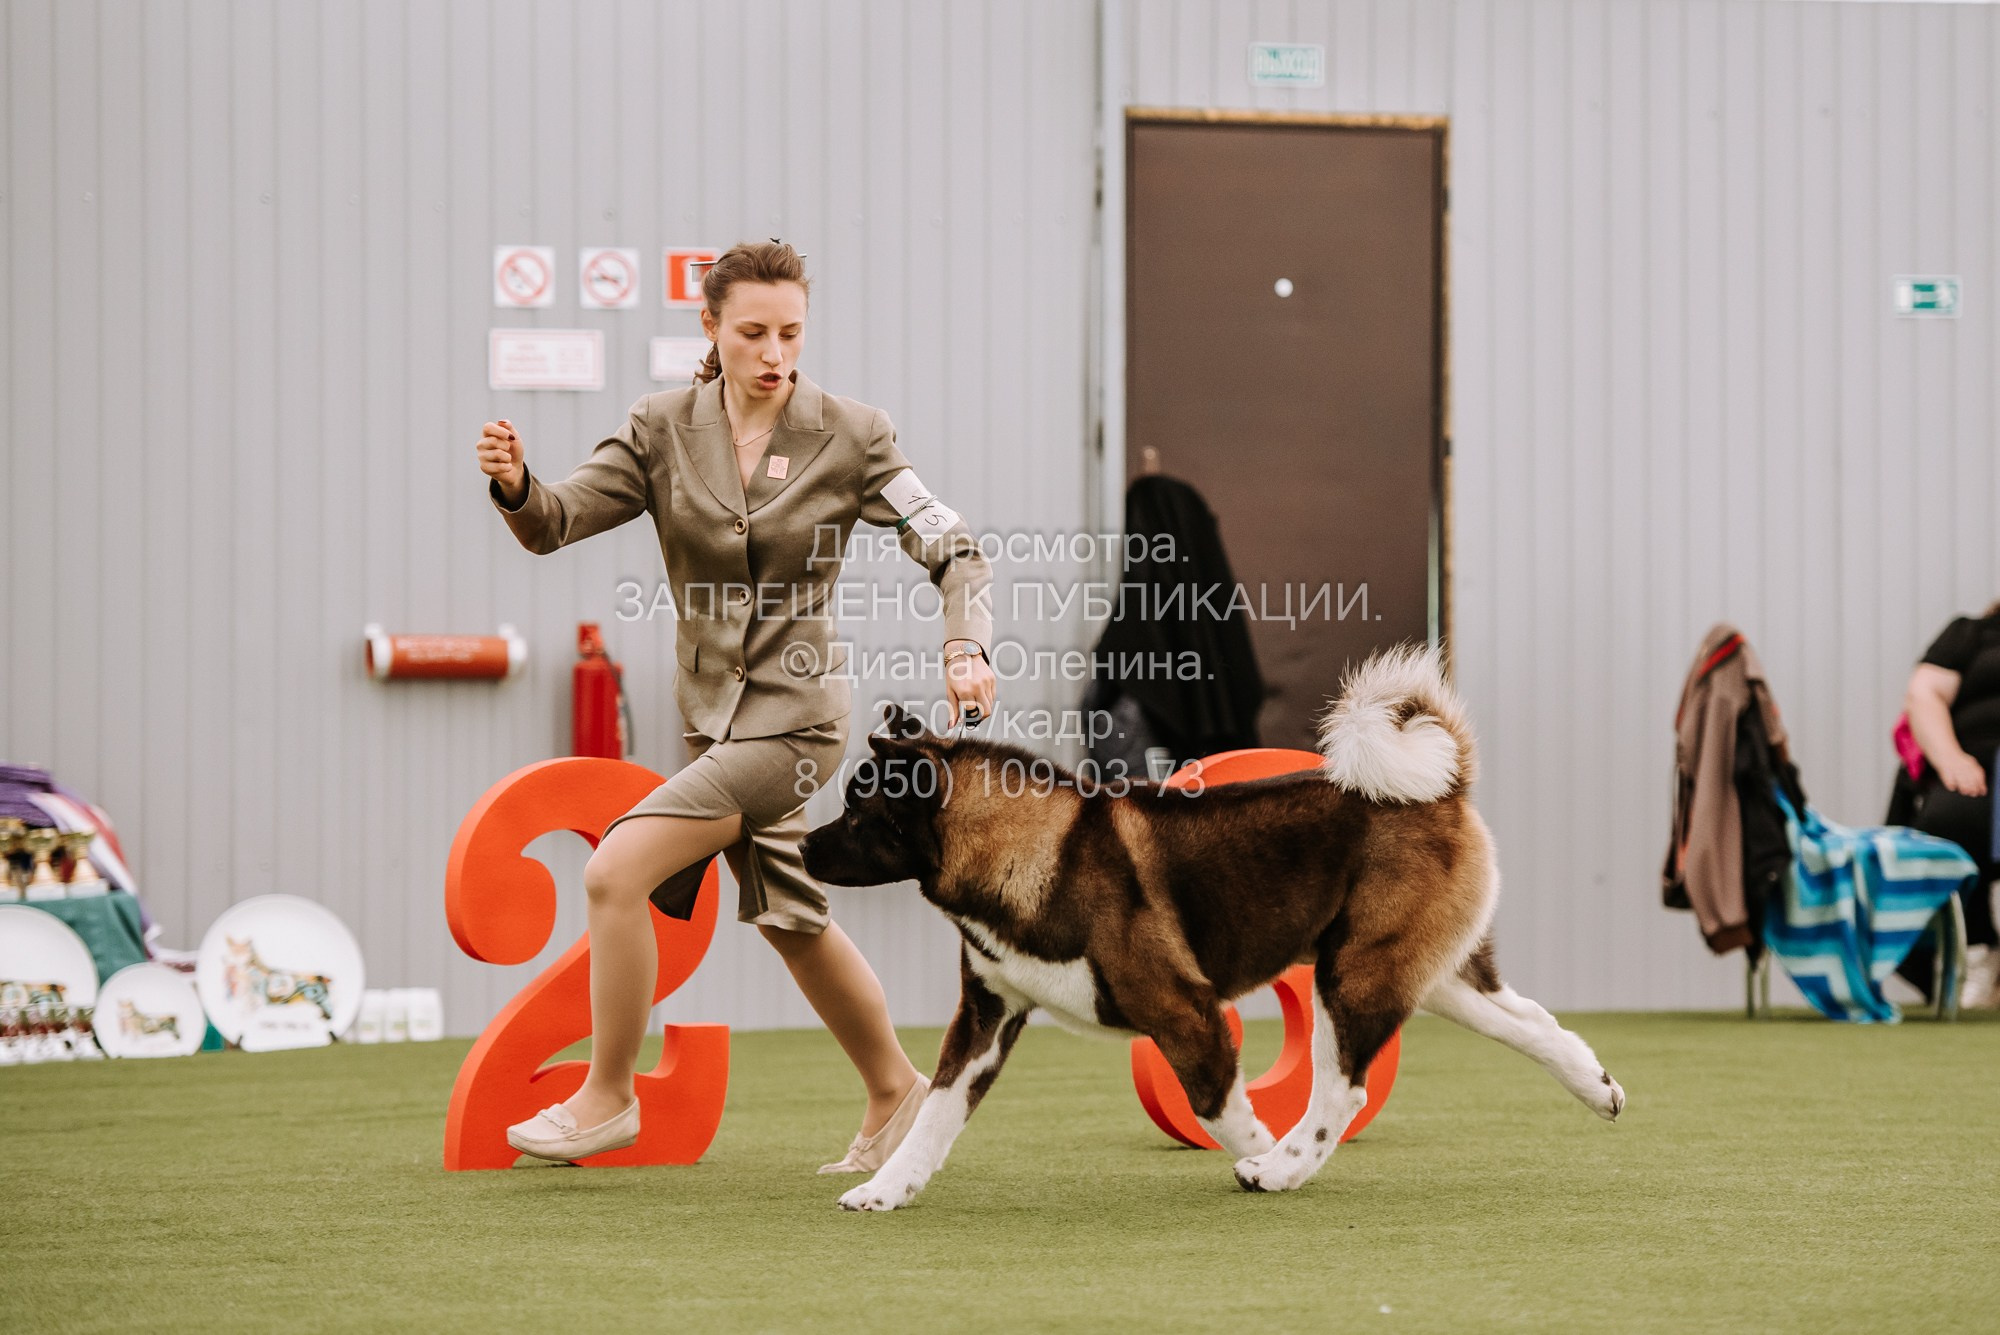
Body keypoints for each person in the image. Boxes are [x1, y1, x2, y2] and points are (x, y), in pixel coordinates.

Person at [473, 240, 997, 1167]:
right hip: (712, 722)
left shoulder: (854, 432)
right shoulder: (659, 427)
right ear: (710, 325)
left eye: (791, 332)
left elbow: (952, 546)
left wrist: (966, 644)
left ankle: (607, 1096)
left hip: (799, 721)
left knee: (614, 872)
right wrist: (514, 483)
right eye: (753, 332)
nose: (774, 352)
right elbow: (554, 521)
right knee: (791, 918)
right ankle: (895, 1091)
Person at [1900, 601, 2000, 1007]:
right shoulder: (1971, 634)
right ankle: (1976, 950)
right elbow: (1924, 693)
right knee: (1949, 825)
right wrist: (1950, 757)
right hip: (1974, 770)